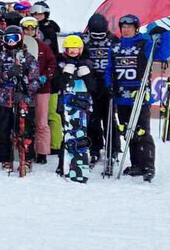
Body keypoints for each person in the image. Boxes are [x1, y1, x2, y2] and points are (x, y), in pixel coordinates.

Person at [109, 14, 170, 181]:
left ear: (136, 28)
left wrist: (164, 35)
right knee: (127, 131)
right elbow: (109, 69)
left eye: (129, 27)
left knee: (142, 131)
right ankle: (136, 164)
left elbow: (163, 54)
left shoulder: (144, 43)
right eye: (123, 27)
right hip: (121, 95)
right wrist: (109, 85)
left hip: (139, 94)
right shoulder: (115, 47)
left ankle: (148, 166)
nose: (126, 30)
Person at [0, 25, 41, 173]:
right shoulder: (2, 57)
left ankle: (27, 158)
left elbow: (35, 80)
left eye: (14, 38)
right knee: (3, 130)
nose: (11, 42)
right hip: (6, 98)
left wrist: (26, 91)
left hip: (23, 98)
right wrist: (9, 74)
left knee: (25, 130)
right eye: (8, 39)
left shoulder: (28, 57)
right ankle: (5, 159)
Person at [56, 35, 96, 182]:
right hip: (66, 103)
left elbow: (93, 87)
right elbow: (58, 84)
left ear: (81, 49)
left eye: (75, 49)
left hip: (83, 103)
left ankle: (81, 162)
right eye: (70, 49)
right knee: (68, 133)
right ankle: (63, 164)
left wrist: (86, 75)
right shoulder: (61, 63)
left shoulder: (88, 63)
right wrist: (67, 72)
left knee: (80, 133)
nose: (72, 52)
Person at [20, 16, 58, 164]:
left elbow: (52, 64)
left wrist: (45, 77)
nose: (29, 31)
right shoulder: (18, 46)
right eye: (26, 29)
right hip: (23, 88)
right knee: (24, 119)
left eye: (32, 29)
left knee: (41, 120)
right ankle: (25, 149)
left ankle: (42, 151)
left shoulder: (43, 47)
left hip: (41, 89)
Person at [84, 13, 116, 164]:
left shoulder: (113, 40)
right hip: (91, 82)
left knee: (109, 117)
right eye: (94, 35)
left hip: (107, 83)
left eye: (100, 35)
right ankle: (94, 148)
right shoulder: (84, 41)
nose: (97, 39)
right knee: (93, 118)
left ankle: (113, 148)